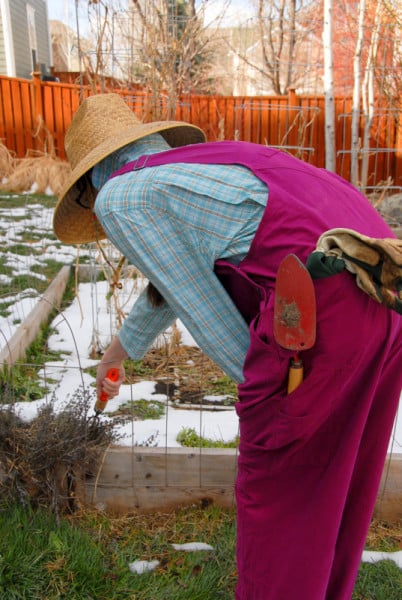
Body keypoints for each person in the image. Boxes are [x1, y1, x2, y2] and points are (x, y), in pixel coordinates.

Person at [53, 93, 402, 600]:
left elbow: (203, 309)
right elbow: (174, 282)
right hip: (383, 294)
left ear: (90, 186)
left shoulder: (121, 196)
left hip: (320, 313)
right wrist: (118, 354)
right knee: (334, 490)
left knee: (280, 501)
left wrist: (267, 402)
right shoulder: (197, 166)